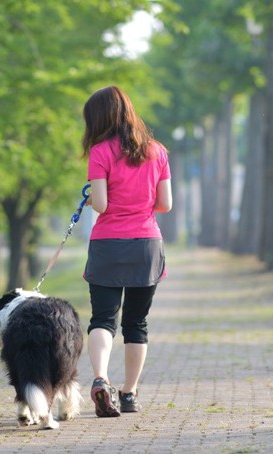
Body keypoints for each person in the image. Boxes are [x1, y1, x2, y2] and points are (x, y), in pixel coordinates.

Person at [81, 85, 172, 417]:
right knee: (137, 323)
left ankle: (101, 380)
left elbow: (101, 205)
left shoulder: (100, 152)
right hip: (146, 244)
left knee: (103, 320)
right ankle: (129, 393)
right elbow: (166, 204)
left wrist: (91, 197)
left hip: (108, 244)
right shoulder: (157, 152)